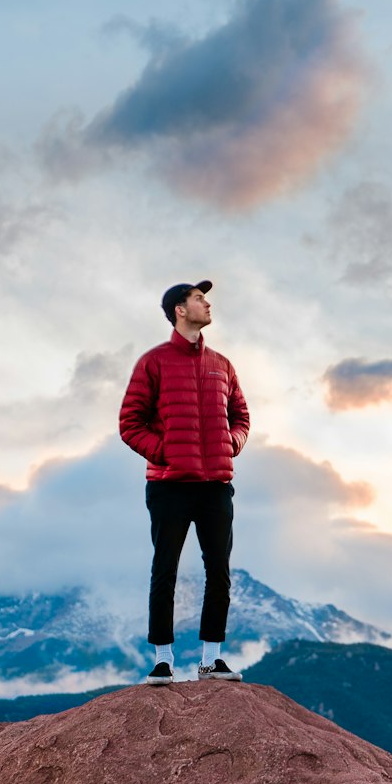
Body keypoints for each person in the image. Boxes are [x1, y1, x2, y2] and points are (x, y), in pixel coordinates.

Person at [119, 280, 250, 685]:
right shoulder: (153, 362)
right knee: (166, 570)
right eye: (198, 298)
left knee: (220, 572)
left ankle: (211, 660)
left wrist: (232, 443)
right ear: (179, 309)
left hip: (216, 486)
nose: (206, 303)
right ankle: (163, 660)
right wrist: (164, 452)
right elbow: (129, 423)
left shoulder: (222, 365)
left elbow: (241, 416)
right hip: (170, 485)